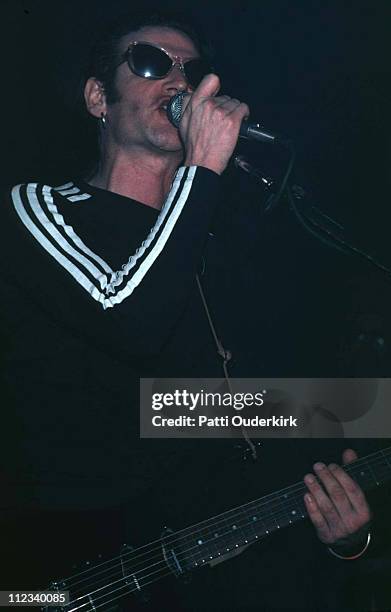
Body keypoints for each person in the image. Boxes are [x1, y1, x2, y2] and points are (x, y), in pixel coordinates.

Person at [0, 10, 387, 611]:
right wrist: (200, 171)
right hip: (79, 571)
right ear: (99, 97)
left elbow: (215, 406)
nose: (181, 82)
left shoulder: (216, 238)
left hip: (222, 566)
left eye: (195, 69)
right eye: (152, 63)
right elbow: (128, 317)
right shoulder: (42, 208)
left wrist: (350, 523)